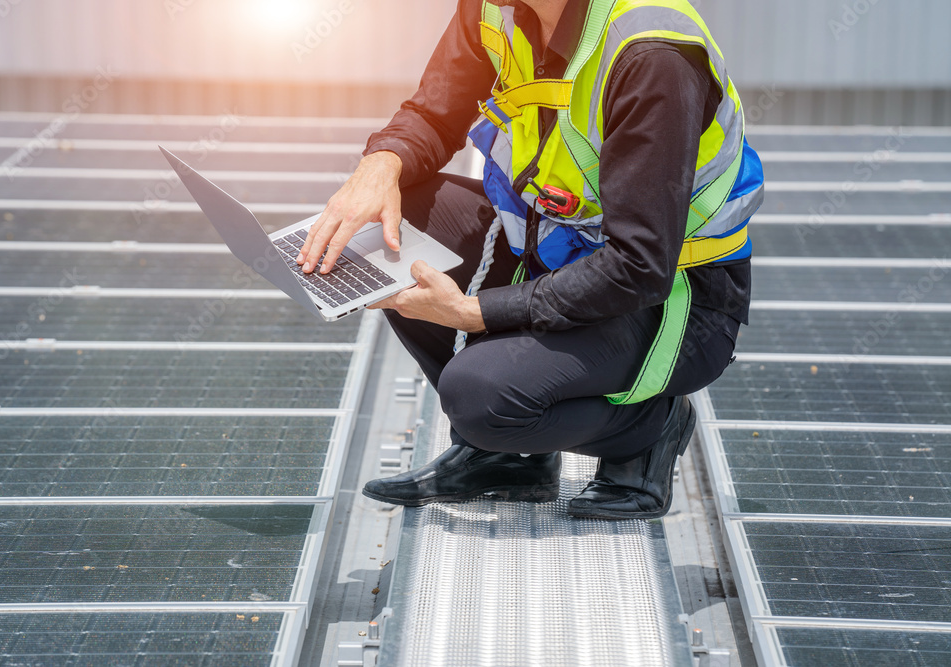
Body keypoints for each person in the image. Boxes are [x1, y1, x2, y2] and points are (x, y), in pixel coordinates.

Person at [295, 0, 763, 519]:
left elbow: (640, 265)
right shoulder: (496, 8)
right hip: (559, 251)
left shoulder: (651, 53)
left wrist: (476, 312)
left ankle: (650, 429)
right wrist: (379, 166)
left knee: (479, 398)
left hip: (674, 300)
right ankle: (510, 460)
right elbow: (434, 113)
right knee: (390, 224)